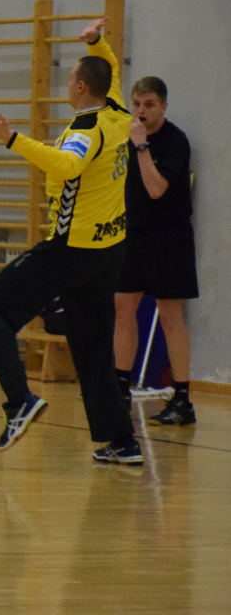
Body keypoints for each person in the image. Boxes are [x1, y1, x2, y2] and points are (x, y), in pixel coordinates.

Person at [0, 17, 141, 465]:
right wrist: (97, 41)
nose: (67, 86)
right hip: (110, 249)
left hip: (73, 247)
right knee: (92, 347)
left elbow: (66, 166)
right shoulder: (117, 111)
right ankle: (121, 441)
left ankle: (20, 401)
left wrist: (10, 138)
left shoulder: (86, 131)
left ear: (81, 87)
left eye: (69, 80)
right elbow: (111, 70)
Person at [113, 76, 198, 425]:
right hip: (134, 235)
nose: (141, 111)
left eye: (148, 105)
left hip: (170, 237)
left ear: (163, 106)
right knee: (123, 307)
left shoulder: (175, 141)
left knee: (169, 315)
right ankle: (119, 390)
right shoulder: (127, 138)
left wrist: (142, 147)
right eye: (136, 104)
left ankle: (182, 400)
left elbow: (156, 188)